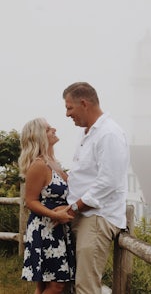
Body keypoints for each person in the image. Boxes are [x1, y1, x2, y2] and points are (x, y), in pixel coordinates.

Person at [62, 82, 130, 294]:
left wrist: (73, 208)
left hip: (97, 217)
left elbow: (109, 181)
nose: (67, 114)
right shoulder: (87, 133)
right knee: (77, 282)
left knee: (86, 287)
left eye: (69, 107)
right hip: (85, 214)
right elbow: (82, 175)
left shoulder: (109, 133)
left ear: (84, 103)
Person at [18, 117, 76, 294]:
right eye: (48, 129)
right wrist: (56, 215)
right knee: (56, 285)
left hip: (58, 229)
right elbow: (31, 201)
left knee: (45, 284)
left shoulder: (54, 163)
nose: (54, 129)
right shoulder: (39, 165)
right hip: (46, 229)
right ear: (38, 136)